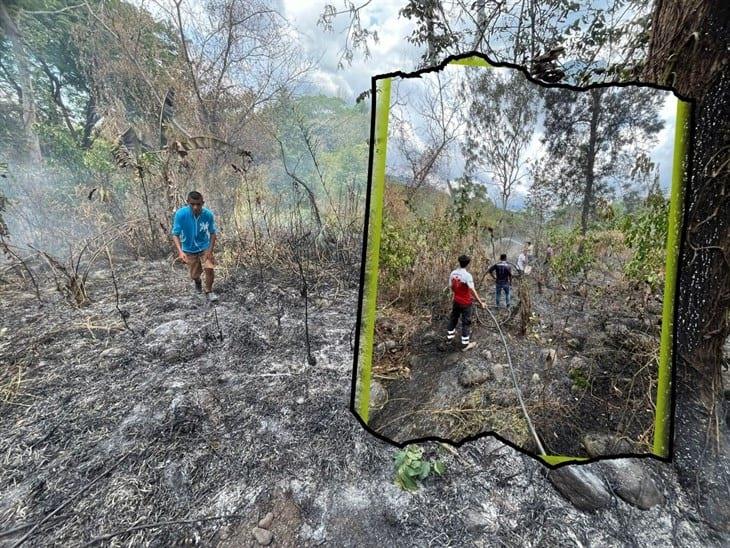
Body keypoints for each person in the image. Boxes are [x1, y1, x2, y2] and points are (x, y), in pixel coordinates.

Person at [171, 190, 218, 301]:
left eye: (198, 204)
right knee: (194, 275)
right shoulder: (181, 214)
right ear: (188, 202)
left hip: (204, 247)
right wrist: (180, 251)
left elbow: (213, 233)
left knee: (209, 268)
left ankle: (209, 291)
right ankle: (198, 282)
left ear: (203, 203)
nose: (196, 207)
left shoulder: (208, 215)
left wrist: (209, 251)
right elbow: (175, 234)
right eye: (192, 204)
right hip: (188, 249)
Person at [447, 254, 485, 350]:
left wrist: (457, 294)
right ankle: (465, 344)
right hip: (466, 303)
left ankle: (449, 338)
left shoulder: (453, 273)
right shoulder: (467, 275)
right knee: (466, 322)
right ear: (468, 264)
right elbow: (472, 290)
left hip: (456, 301)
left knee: (453, 319)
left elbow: (451, 286)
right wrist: (481, 303)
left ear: (459, 262)